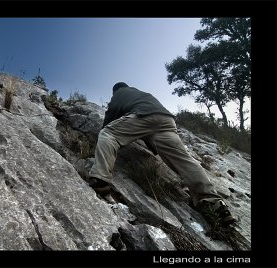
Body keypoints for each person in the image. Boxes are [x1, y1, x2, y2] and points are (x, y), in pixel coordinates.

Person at [89, 82, 236, 226]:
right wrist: (153, 147)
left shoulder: (119, 93)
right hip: (167, 120)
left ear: (116, 90)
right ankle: (215, 203)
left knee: (107, 134)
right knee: (185, 160)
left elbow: (111, 116)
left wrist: (101, 133)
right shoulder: (141, 93)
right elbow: (150, 129)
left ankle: (101, 179)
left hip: (144, 116)